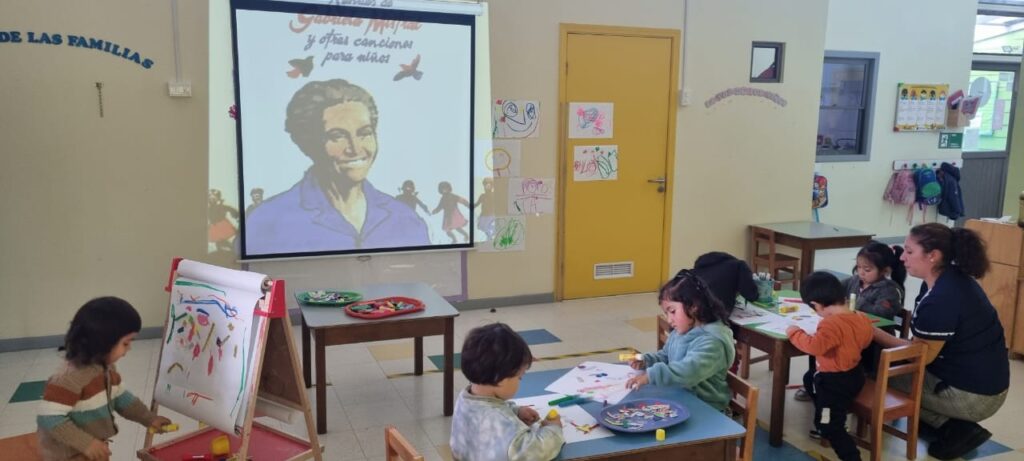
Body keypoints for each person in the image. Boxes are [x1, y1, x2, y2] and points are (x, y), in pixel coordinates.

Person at [872, 223, 1009, 460]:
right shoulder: (947, 279)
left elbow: (919, 356)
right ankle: (944, 423)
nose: (902, 257)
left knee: (881, 373)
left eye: (909, 251)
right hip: (984, 383)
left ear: (933, 256)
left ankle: (954, 427)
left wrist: (872, 332)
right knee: (890, 366)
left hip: (975, 397)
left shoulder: (941, 299)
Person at [245, 79, 429, 254]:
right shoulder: (267, 222)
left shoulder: (406, 219)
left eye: (364, 133)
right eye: (337, 136)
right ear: (309, 143)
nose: (355, 149)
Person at [37, 297, 173, 460]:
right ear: (103, 342)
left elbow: (122, 398)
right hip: (68, 455)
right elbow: (49, 419)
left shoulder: (106, 369)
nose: (129, 348)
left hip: (93, 447)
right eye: (126, 343)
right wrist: (86, 443)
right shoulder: (68, 379)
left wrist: (149, 418)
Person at [795, 241, 906, 400]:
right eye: (859, 267)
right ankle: (819, 379)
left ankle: (839, 383)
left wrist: (855, 303)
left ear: (884, 270)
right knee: (822, 340)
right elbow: (834, 291)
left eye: (867, 269)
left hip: (874, 338)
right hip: (849, 329)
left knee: (829, 343)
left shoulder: (890, 290)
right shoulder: (854, 281)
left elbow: (883, 313)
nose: (861, 272)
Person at [786, 272, 873, 461]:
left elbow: (814, 347)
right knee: (809, 378)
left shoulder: (831, 324)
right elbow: (866, 341)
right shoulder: (861, 317)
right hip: (854, 375)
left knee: (831, 426)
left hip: (834, 383)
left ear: (816, 305)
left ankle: (851, 456)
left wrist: (794, 332)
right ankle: (824, 418)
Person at [449, 323, 564, 461]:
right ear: (501, 378)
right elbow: (535, 452)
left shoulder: (465, 399)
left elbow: (489, 412)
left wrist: (516, 411)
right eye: (519, 377)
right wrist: (553, 429)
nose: (520, 381)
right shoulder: (503, 421)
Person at [626, 270, 736, 411]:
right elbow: (665, 356)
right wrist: (645, 360)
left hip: (707, 408)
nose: (669, 319)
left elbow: (688, 372)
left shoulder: (713, 343)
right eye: (666, 313)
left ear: (694, 306)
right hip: (681, 397)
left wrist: (651, 375)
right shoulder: (681, 332)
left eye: (672, 311)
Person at [687, 251, 758, 311]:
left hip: (688, 308)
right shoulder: (739, 265)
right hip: (711, 313)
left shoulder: (697, 270)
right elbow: (751, 295)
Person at [207, 189, 239, 253]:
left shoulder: (222, 206)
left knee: (222, 241)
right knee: (218, 242)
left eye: (213, 197)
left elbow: (232, 210)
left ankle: (231, 249)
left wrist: (236, 216)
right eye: (210, 197)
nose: (211, 199)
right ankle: (223, 250)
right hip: (214, 226)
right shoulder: (209, 207)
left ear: (217, 198)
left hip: (222, 226)